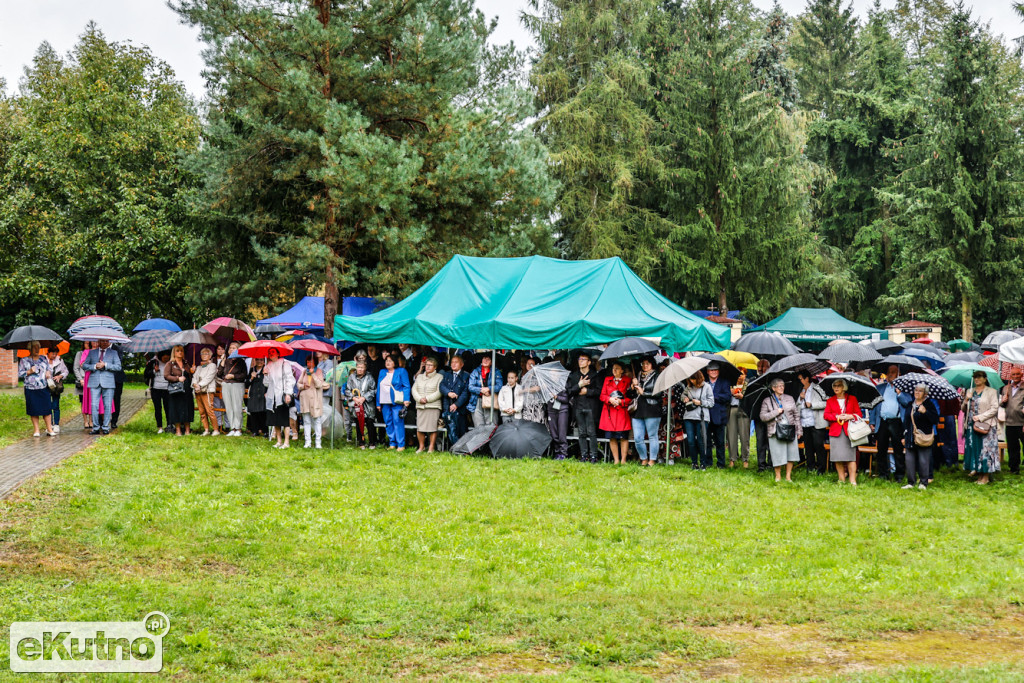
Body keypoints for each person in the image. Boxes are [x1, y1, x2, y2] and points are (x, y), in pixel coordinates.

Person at [872, 365, 912, 481]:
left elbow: (907, 403)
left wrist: (899, 393)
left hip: (896, 422)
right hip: (883, 421)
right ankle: (883, 474)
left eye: (893, 372)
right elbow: (874, 406)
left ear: (899, 374)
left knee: (898, 450)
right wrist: (873, 421)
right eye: (889, 372)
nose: (890, 374)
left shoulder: (904, 388)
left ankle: (899, 475)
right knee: (881, 449)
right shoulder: (880, 388)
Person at [760, 377, 802, 482]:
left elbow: (796, 415)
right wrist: (776, 411)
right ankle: (778, 476)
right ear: (773, 388)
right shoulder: (767, 400)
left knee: (791, 454)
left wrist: (799, 430)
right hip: (775, 430)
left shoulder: (790, 398)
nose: (782, 387)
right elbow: (763, 417)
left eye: (783, 385)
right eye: (779, 386)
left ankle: (788, 476)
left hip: (790, 429)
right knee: (777, 454)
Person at [963, 370, 999, 485]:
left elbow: (995, 408)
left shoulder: (991, 391)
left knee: (986, 450)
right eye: (975, 377)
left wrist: (981, 417)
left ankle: (986, 476)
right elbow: (963, 409)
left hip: (986, 424)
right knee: (975, 449)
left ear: (985, 378)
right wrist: (966, 400)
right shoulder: (970, 391)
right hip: (971, 425)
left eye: (979, 377)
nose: (976, 379)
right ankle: (979, 474)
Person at [824, 378, 862, 485]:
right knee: (837, 457)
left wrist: (850, 416)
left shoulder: (852, 399)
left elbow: (859, 414)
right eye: (834, 386)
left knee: (851, 457)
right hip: (835, 432)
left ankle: (852, 480)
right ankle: (841, 479)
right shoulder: (830, 400)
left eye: (838, 386)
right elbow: (826, 415)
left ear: (844, 387)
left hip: (849, 431)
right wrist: (837, 416)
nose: (836, 388)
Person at [904, 383, 939, 490]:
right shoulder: (910, 404)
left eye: (920, 391)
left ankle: (923, 483)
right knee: (909, 460)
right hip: (910, 436)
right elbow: (906, 420)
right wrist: (903, 435)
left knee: (924, 460)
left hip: (923, 436)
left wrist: (925, 412)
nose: (917, 392)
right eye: (915, 390)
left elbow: (935, 420)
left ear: (925, 394)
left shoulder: (929, 404)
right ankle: (911, 482)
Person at [82, 339, 122, 435]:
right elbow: (85, 365)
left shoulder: (113, 353)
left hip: (108, 382)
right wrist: (95, 366)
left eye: (106, 341)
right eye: (102, 341)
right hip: (94, 381)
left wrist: (106, 365)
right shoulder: (92, 353)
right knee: (94, 405)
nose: (104, 343)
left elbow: (118, 367)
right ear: (98, 342)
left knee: (107, 405)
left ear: (109, 342)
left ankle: (105, 427)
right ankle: (95, 427)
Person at [628, 357, 661, 466]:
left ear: (652, 364)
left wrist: (643, 393)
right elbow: (630, 394)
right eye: (643, 363)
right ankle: (643, 458)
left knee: (652, 436)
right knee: (637, 437)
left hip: (652, 408)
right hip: (638, 409)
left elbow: (659, 394)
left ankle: (652, 459)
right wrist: (632, 387)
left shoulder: (657, 376)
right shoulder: (637, 376)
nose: (645, 365)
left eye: (648, 363)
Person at [568, 352, 600, 462]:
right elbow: (569, 391)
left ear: (589, 362)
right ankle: (584, 455)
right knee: (581, 432)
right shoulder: (574, 375)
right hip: (578, 406)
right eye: (579, 359)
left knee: (591, 432)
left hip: (591, 407)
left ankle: (594, 456)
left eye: (583, 359)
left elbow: (599, 391)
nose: (580, 361)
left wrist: (588, 391)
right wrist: (580, 385)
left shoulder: (595, 375)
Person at [19, 342, 55, 437]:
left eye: (38, 347)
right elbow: (20, 374)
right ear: (30, 349)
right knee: (33, 409)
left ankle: (49, 429)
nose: (37, 349)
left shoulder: (43, 358)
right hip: (30, 388)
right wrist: (29, 371)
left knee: (47, 408)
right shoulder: (24, 360)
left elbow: (49, 369)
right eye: (34, 347)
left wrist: (48, 372)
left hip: (43, 387)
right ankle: (36, 430)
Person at [599, 361, 632, 464]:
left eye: (617, 368)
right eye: (613, 368)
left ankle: (623, 460)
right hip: (609, 412)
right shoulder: (607, 380)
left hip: (622, 412)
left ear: (622, 370)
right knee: (612, 437)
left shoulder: (628, 381)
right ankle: (616, 460)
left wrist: (621, 401)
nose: (615, 370)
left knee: (623, 437)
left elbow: (631, 398)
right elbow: (602, 395)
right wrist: (609, 399)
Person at [797, 371, 829, 474]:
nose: (799, 381)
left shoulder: (818, 388)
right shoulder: (799, 390)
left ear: (807, 379)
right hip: (804, 422)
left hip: (817, 422)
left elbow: (826, 403)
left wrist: (812, 405)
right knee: (808, 446)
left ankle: (821, 468)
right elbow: (796, 406)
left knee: (818, 445)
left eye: (801, 379)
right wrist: (800, 399)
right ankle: (810, 467)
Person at [377, 354, 411, 450]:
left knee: (397, 421)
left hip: (397, 401)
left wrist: (406, 399)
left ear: (395, 363)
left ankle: (401, 445)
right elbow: (379, 387)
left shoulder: (401, 371)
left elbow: (406, 386)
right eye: (386, 360)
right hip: (385, 401)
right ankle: (392, 443)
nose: (388, 362)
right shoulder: (382, 372)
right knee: (388, 422)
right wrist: (378, 403)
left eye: (390, 361)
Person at [264, 348, 297, 448]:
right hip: (272, 396)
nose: (271, 354)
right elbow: (266, 383)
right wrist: (265, 374)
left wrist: (288, 393)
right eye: (269, 353)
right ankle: (279, 441)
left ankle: (286, 442)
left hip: (281, 395)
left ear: (278, 353)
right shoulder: (268, 365)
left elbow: (290, 379)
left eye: (273, 352)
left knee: (284, 419)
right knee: (275, 419)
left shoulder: (284, 364)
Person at [681, 371, 714, 470]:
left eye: (693, 379)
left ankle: (703, 463)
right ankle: (694, 463)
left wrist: (700, 402)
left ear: (698, 378)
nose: (692, 381)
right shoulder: (688, 387)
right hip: (689, 416)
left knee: (701, 440)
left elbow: (711, 402)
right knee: (690, 440)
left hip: (701, 417)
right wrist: (685, 398)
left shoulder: (707, 387)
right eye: (690, 379)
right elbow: (682, 395)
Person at [411, 355, 443, 453]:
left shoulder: (439, 377)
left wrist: (427, 399)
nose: (428, 367)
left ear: (435, 367)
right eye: (426, 365)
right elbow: (414, 389)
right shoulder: (419, 377)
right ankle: (421, 447)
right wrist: (419, 399)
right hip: (420, 405)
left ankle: (431, 447)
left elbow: (439, 391)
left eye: (430, 365)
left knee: (432, 428)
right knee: (420, 428)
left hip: (433, 406)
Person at [297, 354, 328, 448]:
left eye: (311, 362)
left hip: (315, 399)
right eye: (307, 362)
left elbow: (319, 384)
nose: (309, 363)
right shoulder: (304, 371)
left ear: (315, 362)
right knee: (306, 420)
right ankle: (308, 442)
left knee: (317, 420)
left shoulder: (319, 371)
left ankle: (318, 442)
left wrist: (313, 374)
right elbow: (298, 384)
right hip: (305, 399)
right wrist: (303, 386)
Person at [346, 357, 377, 449]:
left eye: (362, 367)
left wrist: (364, 398)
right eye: (358, 367)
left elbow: (373, 390)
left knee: (370, 422)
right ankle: (361, 442)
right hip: (356, 404)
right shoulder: (351, 377)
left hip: (367, 404)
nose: (360, 369)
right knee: (358, 422)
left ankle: (372, 442)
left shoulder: (369, 377)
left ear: (365, 368)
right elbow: (348, 390)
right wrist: (354, 398)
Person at [218, 341, 248, 437]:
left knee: (237, 407)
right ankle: (232, 428)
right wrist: (222, 361)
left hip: (237, 385)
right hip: (226, 385)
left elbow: (244, 375)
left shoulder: (241, 361)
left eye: (234, 348)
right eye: (230, 348)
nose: (231, 349)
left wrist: (233, 376)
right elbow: (219, 373)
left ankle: (238, 428)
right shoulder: (226, 361)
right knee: (229, 407)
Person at [439, 354, 470, 447]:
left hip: (460, 408)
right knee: (450, 430)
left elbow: (465, 393)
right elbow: (441, 386)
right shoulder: (447, 374)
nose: (453, 364)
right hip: (447, 406)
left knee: (461, 430)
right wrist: (448, 393)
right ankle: (452, 449)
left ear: (462, 364)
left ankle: (462, 450)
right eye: (452, 362)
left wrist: (456, 404)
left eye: (456, 362)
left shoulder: (466, 375)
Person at [706, 363, 732, 468]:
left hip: (719, 415)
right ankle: (708, 462)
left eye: (715, 370)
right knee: (706, 441)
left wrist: (713, 396)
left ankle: (721, 463)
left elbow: (727, 396)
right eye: (711, 370)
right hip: (707, 415)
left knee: (720, 441)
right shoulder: (704, 382)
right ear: (708, 371)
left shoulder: (724, 382)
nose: (713, 372)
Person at [163, 345, 193, 436]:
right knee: (176, 409)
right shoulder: (170, 363)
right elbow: (166, 376)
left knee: (187, 408)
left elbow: (189, 375)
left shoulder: (186, 363)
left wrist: (191, 371)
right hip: (176, 390)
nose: (180, 352)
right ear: (174, 353)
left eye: (181, 351)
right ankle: (178, 430)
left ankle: (187, 430)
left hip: (187, 390)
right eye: (178, 351)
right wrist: (177, 378)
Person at [468, 353, 503, 427]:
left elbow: (499, 386)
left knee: (491, 426)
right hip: (477, 400)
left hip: (490, 400)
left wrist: (488, 389)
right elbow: (470, 387)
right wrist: (481, 390)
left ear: (492, 362)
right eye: (484, 358)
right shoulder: (475, 371)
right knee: (478, 426)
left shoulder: (496, 372)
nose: (485, 360)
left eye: (488, 359)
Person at [1000, 366, 1024, 474]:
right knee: (1012, 447)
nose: (1015, 376)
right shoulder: (1006, 388)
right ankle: (1014, 468)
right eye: (1013, 375)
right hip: (1010, 422)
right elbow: (1002, 405)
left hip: (1022, 422)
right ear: (1010, 376)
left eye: (1017, 374)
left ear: (1022, 375)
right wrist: (1003, 401)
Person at [191, 347, 220, 436]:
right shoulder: (199, 367)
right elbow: (194, 377)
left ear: (210, 356)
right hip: (198, 391)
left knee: (209, 410)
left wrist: (199, 385)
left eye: (206, 353)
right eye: (202, 354)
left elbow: (209, 378)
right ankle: (206, 430)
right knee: (202, 411)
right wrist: (195, 384)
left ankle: (216, 430)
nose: (204, 355)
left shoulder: (213, 366)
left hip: (207, 390)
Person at [727, 370, 750, 468]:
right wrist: (730, 393)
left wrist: (743, 397)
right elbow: (724, 395)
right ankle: (732, 459)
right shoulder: (730, 383)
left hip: (744, 410)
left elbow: (751, 398)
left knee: (744, 435)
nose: (740, 376)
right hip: (732, 408)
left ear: (745, 374)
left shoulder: (749, 383)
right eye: (739, 373)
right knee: (731, 435)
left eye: (742, 373)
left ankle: (745, 459)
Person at [146, 351, 171, 434]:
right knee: (158, 408)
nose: (166, 357)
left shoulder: (171, 363)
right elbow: (146, 374)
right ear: (160, 355)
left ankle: (169, 425)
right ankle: (159, 427)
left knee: (168, 408)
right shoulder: (153, 362)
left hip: (167, 389)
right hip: (155, 389)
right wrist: (154, 371)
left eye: (168, 355)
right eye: (164, 355)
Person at [546, 379, 571, 461]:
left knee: (561, 432)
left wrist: (557, 397)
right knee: (554, 433)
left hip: (562, 410)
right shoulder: (546, 384)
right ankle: (557, 452)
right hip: (551, 410)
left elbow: (567, 399)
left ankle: (563, 453)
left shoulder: (563, 383)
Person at [46, 346, 68, 434]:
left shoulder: (59, 360)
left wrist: (60, 376)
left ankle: (56, 424)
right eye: (52, 353)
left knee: (55, 405)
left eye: (56, 353)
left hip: (56, 386)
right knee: (47, 405)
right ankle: (49, 424)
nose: (54, 355)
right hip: (46, 385)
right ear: (48, 353)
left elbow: (65, 371)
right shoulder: (43, 361)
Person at [754, 358, 771, 472]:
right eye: (760, 367)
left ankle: (770, 464)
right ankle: (761, 464)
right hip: (758, 415)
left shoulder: (771, 380)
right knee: (760, 441)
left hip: (771, 415)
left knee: (770, 441)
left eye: (764, 367)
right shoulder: (754, 381)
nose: (761, 369)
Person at [73, 342, 93, 431]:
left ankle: (91, 420)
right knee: (83, 401)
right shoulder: (80, 353)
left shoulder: (94, 352)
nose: (88, 344)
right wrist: (80, 379)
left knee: (92, 401)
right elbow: (76, 367)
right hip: (83, 380)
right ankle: (85, 421)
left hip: (92, 379)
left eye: (89, 343)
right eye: (86, 343)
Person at [245, 358, 268, 436]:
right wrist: (251, 378)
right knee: (253, 412)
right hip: (254, 393)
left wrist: (266, 375)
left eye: (261, 360)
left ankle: (265, 431)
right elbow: (246, 384)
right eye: (257, 360)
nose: (259, 362)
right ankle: (255, 430)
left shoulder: (266, 370)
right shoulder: (252, 370)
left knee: (262, 412)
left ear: (264, 361)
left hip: (263, 392)